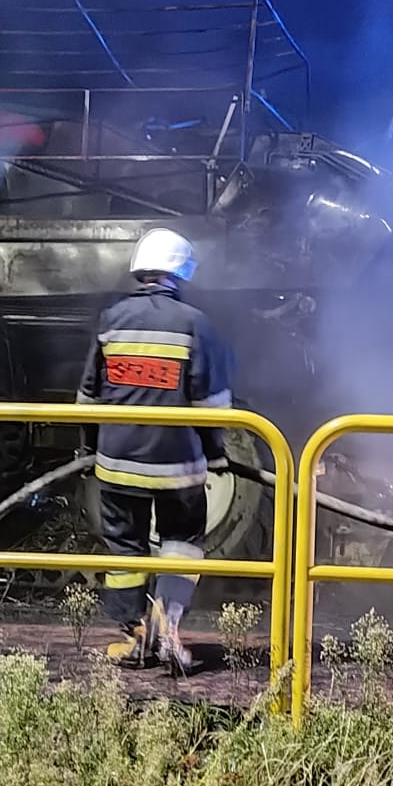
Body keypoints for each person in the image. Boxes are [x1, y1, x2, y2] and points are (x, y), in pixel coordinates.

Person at [77, 227, 235, 676]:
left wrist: (89, 450)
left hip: (117, 466)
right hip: (178, 470)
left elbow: (88, 397)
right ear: (181, 272)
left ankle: (135, 635)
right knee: (181, 545)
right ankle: (170, 631)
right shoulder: (195, 323)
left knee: (124, 548)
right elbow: (213, 405)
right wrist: (216, 454)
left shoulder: (111, 319)